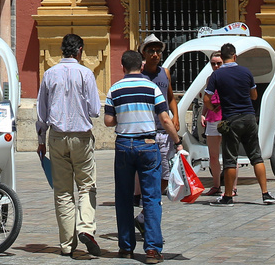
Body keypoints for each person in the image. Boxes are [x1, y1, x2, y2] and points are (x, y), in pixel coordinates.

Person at [104, 49, 178, 265]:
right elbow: (165, 119)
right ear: (142, 66)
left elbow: (108, 121)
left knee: (124, 197)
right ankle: (153, 250)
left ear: (122, 67)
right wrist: (178, 142)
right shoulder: (152, 87)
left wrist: (123, 118)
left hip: (124, 144)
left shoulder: (114, 89)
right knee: (152, 197)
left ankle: (126, 247)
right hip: (148, 145)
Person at [35, 33, 102, 259]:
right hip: (81, 136)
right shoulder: (86, 74)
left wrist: (41, 142)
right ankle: (85, 227)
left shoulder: (49, 74)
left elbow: (41, 113)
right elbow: (94, 110)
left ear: (61, 51)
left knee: (63, 192)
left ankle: (66, 243)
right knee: (86, 185)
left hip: (56, 137)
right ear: (80, 50)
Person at [208, 44, 274, 206]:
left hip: (231, 119)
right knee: (256, 157)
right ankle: (265, 194)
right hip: (249, 117)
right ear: (235, 56)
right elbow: (254, 95)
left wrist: (215, 108)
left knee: (230, 159)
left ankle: (228, 196)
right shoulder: (246, 72)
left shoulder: (217, 75)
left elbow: (206, 99)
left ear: (222, 58)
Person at [138, 36, 176, 191]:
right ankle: (150, 196)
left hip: (164, 128)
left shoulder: (165, 72)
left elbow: (171, 97)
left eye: (158, 51)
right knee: (148, 166)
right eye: (151, 51)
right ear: (144, 54)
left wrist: (176, 116)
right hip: (147, 129)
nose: (155, 54)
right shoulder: (139, 74)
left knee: (165, 168)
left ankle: (157, 196)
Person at [201, 53, 224, 195]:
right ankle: (216, 185)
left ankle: (232, 187)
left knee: (229, 154)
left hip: (226, 117)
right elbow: (206, 98)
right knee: (213, 155)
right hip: (212, 118)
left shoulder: (229, 77)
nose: (216, 66)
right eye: (213, 63)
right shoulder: (210, 79)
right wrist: (203, 114)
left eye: (219, 63)